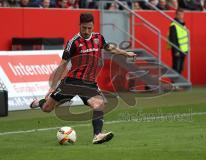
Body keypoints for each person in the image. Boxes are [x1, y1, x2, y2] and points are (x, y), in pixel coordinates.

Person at [30, 13, 136, 144]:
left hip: (89, 83)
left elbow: (110, 48)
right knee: (47, 108)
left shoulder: (98, 38)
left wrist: (126, 53)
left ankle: (97, 135)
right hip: (72, 81)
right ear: (79, 25)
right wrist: (52, 87)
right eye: (84, 28)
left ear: (93, 26)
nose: (86, 31)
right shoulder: (73, 42)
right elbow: (62, 65)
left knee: (99, 104)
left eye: (89, 28)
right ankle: (38, 102)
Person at [168, 8, 189, 74]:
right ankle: (174, 83)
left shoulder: (183, 24)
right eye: (179, 14)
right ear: (176, 15)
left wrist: (187, 49)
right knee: (176, 67)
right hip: (177, 50)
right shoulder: (173, 25)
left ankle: (178, 83)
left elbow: (185, 38)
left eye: (182, 14)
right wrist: (176, 51)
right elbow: (173, 39)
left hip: (183, 50)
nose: (181, 16)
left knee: (180, 68)